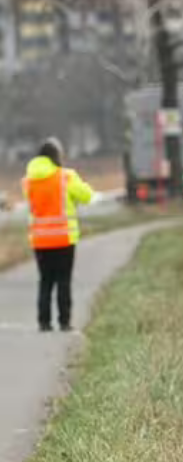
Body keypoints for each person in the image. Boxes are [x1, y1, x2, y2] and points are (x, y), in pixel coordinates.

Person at [22, 138, 93, 332]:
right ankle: (64, 321)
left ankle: (43, 322)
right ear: (57, 156)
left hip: (40, 240)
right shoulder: (66, 177)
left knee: (45, 280)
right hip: (63, 238)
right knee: (63, 280)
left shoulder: (29, 181)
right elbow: (86, 196)